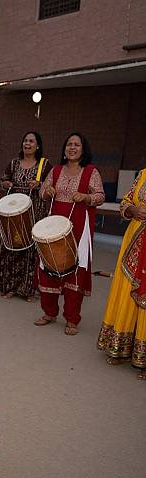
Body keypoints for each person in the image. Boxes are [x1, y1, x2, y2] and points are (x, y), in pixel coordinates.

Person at [34, 133, 104, 335]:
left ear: (83, 149)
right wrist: (47, 192)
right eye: (69, 144)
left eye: (76, 145)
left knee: (76, 270)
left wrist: (85, 196)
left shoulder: (91, 172)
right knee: (47, 266)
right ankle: (49, 313)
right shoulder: (55, 170)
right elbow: (43, 191)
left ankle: (72, 319)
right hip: (53, 226)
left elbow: (100, 196)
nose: (72, 148)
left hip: (78, 227)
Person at [97, 169, 146, 380]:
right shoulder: (143, 175)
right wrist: (132, 209)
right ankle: (121, 347)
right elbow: (125, 201)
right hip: (133, 243)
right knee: (125, 293)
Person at [0, 132, 50, 301]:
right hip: (13, 214)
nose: (27, 144)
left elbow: (51, 185)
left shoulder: (44, 164)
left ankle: (27, 289)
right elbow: (2, 181)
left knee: (30, 252)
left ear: (38, 145)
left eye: (31, 141)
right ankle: (10, 287)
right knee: (11, 247)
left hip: (34, 213)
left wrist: (40, 184)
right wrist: (6, 184)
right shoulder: (13, 164)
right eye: (25, 140)